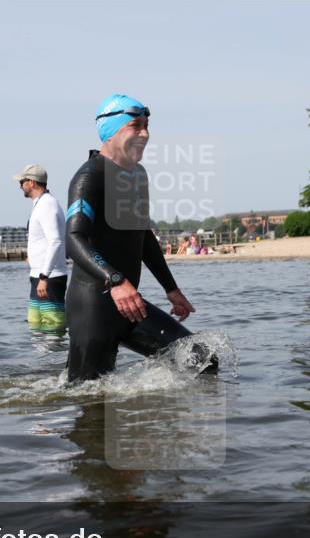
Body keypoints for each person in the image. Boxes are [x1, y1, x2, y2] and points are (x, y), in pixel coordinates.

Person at [64, 94, 216, 382]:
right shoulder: (89, 176)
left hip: (131, 306)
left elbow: (143, 238)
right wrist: (116, 280)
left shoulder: (137, 176)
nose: (145, 134)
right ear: (111, 130)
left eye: (147, 126)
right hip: (93, 309)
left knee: (204, 362)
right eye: (136, 126)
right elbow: (74, 237)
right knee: (89, 400)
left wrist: (171, 289)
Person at [14, 163, 68, 332]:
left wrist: (44, 277)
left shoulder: (47, 205)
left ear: (32, 182)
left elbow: (56, 241)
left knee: (52, 325)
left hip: (49, 278)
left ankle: (56, 358)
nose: (20, 186)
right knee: (36, 325)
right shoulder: (40, 204)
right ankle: (42, 359)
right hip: (39, 276)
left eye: (22, 181)